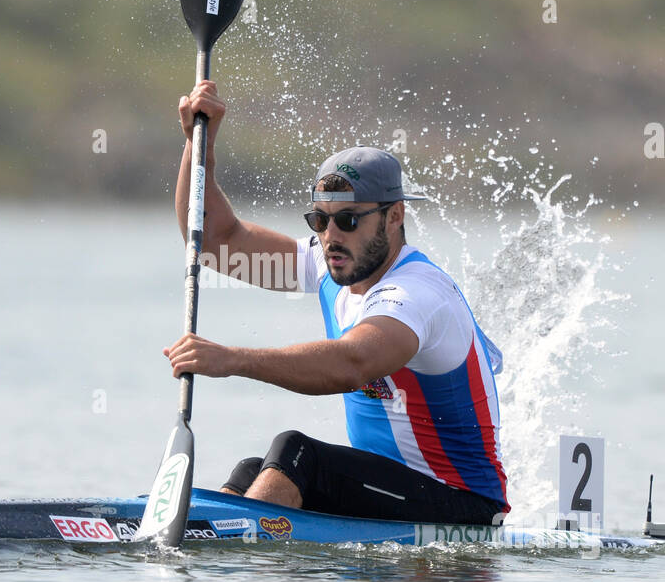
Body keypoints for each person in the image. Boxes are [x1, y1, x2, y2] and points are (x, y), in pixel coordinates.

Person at [163, 80, 508, 524]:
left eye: (347, 220)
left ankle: (235, 542)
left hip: (463, 506)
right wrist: (199, 144)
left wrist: (231, 359)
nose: (330, 237)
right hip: (385, 492)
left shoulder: (418, 294)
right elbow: (216, 241)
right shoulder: (331, 265)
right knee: (256, 468)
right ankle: (206, 537)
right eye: (319, 220)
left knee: (296, 452)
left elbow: (353, 363)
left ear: (394, 216)